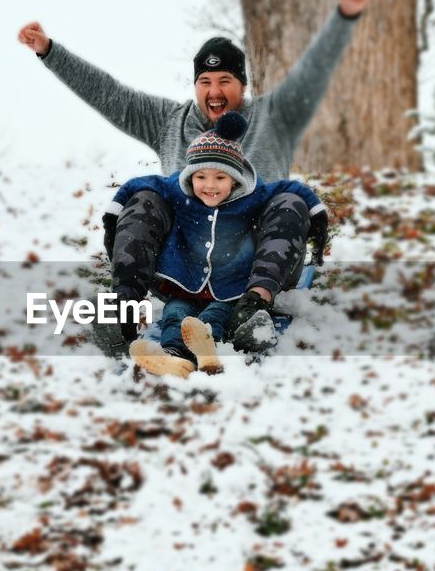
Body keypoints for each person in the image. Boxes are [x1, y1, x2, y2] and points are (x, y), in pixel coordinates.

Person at [17, 0, 369, 352]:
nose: (214, 91)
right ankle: (123, 309)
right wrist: (50, 51)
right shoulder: (169, 120)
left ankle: (253, 309)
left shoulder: (275, 116)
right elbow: (110, 94)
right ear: (195, 84)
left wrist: (344, 17)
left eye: (225, 80)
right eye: (205, 81)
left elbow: (313, 76)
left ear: (243, 85)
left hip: (255, 263)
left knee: (288, 201)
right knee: (147, 197)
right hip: (181, 265)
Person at [113, 112, 325, 377]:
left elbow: (291, 191)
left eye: (220, 178)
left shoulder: (254, 196)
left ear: (235, 179)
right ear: (190, 177)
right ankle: (174, 356)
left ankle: (208, 350)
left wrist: (316, 212)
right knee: (175, 314)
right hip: (185, 284)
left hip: (233, 287)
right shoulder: (179, 193)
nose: (209, 186)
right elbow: (143, 184)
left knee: (216, 315)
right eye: (201, 177)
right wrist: (115, 209)